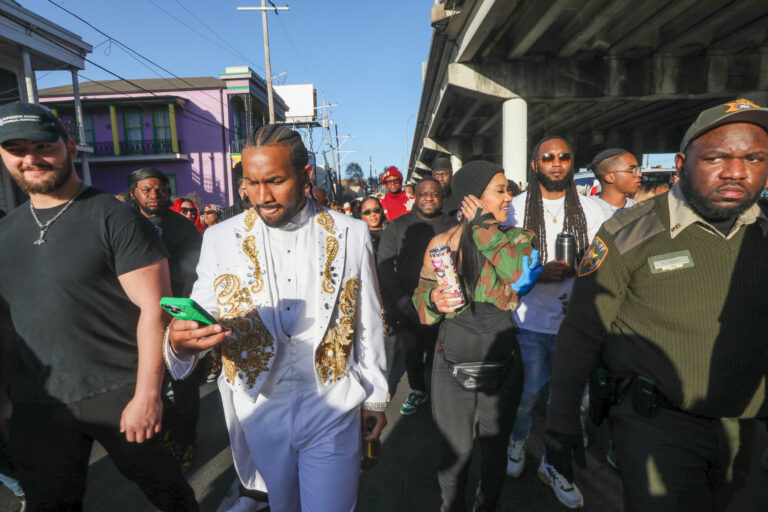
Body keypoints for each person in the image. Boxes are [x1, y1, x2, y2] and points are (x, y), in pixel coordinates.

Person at [545, 99, 768, 512]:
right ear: (682, 163)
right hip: (657, 427)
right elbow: (581, 331)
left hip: (749, 428)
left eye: (754, 158)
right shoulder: (628, 233)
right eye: (717, 157)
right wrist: (560, 423)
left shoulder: (763, 232)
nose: (737, 171)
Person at [164, 125, 388, 512]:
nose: (261, 196)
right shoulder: (220, 237)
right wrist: (179, 343)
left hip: (332, 403)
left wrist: (378, 398)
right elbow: (204, 311)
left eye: (275, 181)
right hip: (258, 405)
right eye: (250, 182)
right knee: (284, 505)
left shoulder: (351, 233)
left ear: (306, 176)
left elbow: (367, 317)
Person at [0, 101, 197, 511]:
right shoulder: (5, 232)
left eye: (42, 145)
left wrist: (148, 395)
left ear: (70, 147)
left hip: (118, 391)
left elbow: (154, 309)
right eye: (16, 149)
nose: (30, 158)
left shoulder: (116, 219)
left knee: (171, 497)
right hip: (38, 403)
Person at [412, 161, 539, 512]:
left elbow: (519, 278)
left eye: (508, 189)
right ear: (473, 198)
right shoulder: (441, 244)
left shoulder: (518, 239)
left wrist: (484, 226)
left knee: (494, 450)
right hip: (451, 363)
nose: (509, 196)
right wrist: (434, 301)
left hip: (504, 363)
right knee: (457, 454)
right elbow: (420, 308)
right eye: (500, 190)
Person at [502, 136, 607, 509]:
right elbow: (496, 268)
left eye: (565, 156)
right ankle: (517, 441)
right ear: (535, 165)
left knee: (569, 405)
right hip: (528, 322)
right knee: (527, 396)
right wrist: (533, 276)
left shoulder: (594, 210)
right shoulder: (512, 210)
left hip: (575, 327)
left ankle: (553, 464)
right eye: (548, 157)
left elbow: (608, 264)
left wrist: (584, 279)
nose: (557, 163)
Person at [128, 168, 203, 472]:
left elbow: (197, 275)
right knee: (149, 385)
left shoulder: (184, 228)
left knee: (184, 385)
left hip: (177, 315)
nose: (154, 196)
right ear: (134, 193)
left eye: (160, 190)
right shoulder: (124, 224)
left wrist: (185, 316)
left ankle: (186, 441)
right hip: (135, 319)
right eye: (147, 190)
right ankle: (167, 432)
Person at [378, 177, 456, 415]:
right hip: (409, 303)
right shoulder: (398, 226)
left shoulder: (453, 226)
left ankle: (438, 393)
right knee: (412, 352)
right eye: (423, 194)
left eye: (434, 194)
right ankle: (417, 390)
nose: (429, 198)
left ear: (441, 199)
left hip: (445, 304)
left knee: (439, 351)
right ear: (416, 197)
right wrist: (399, 299)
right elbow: (383, 265)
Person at [588, 148, 642, 217]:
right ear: (610, 178)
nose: (639, 174)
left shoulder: (642, 210)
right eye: (631, 170)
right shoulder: (587, 211)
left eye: (638, 169)